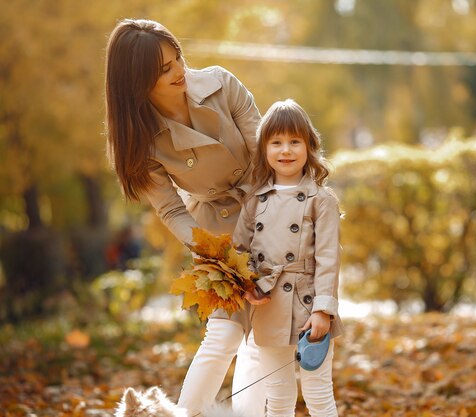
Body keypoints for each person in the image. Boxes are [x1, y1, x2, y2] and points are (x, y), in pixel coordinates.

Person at [104, 18, 265, 417]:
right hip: (215, 234)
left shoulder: (220, 84)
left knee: (268, 337)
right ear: (136, 83)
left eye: (177, 58)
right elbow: (172, 209)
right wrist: (222, 264)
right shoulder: (138, 139)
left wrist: (279, 227)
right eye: (163, 70)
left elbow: (266, 155)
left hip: (269, 208)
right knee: (223, 334)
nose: (179, 72)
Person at [233, 99, 345, 417]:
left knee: (319, 394)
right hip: (268, 306)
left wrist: (324, 310)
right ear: (264, 148)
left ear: (309, 146)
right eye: (277, 142)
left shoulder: (321, 200)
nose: (286, 150)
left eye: (295, 141)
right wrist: (247, 285)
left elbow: (328, 259)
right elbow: (239, 251)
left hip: (310, 305)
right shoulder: (255, 200)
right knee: (278, 397)